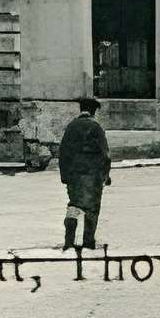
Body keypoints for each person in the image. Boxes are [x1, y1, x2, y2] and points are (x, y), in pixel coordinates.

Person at [56, 96, 110, 249]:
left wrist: (64, 175)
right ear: (93, 111)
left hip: (73, 176)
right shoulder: (96, 128)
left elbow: (63, 153)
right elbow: (105, 154)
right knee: (92, 209)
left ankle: (69, 240)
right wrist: (106, 175)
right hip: (93, 176)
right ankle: (88, 241)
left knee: (73, 206)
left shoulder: (71, 127)